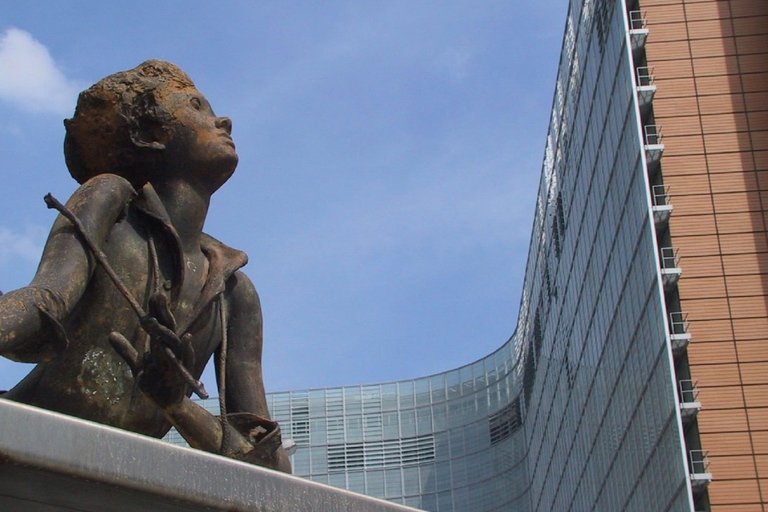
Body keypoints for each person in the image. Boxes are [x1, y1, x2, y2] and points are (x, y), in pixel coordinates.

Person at [0, 60, 291, 472]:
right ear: (149, 134)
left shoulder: (233, 293)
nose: (223, 120)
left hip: (118, 479)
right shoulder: (110, 200)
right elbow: (44, 303)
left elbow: (272, 469)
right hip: (22, 455)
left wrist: (174, 404)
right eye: (196, 106)